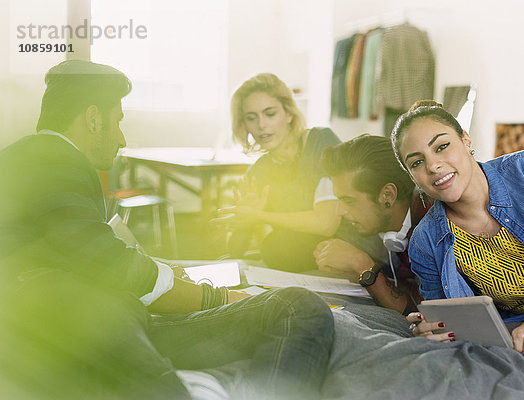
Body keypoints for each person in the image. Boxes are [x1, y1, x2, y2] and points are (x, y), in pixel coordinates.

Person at [0, 60, 334, 399]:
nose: (121, 138)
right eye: (117, 122)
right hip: (97, 327)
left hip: (101, 320)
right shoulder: (53, 162)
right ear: (92, 118)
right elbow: (116, 268)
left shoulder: (29, 157)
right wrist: (223, 297)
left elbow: (92, 253)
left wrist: (169, 272)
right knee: (298, 307)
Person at [391, 100, 524, 352]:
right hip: (511, 335)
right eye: (416, 163)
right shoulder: (424, 241)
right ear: (412, 176)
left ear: (466, 140)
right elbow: (449, 317)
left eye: (442, 146)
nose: (433, 166)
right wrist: (431, 330)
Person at [217, 73, 383, 272]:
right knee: (274, 246)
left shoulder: (321, 141)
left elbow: (326, 223)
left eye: (270, 114)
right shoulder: (258, 172)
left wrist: (260, 215)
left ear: (288, 114)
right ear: (244, 124)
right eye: (251, 118)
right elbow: (235, 251)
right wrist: (244, 220)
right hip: (308, 260)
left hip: (356, 254)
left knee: (275, 246)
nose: (261, 125)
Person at [314, 134, 431, 313]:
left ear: (387, 196)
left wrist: (361, 263)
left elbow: (417, 310)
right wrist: (354, 269)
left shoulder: (432, 226)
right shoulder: (396, 230)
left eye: (349, 201)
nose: (341, 211)